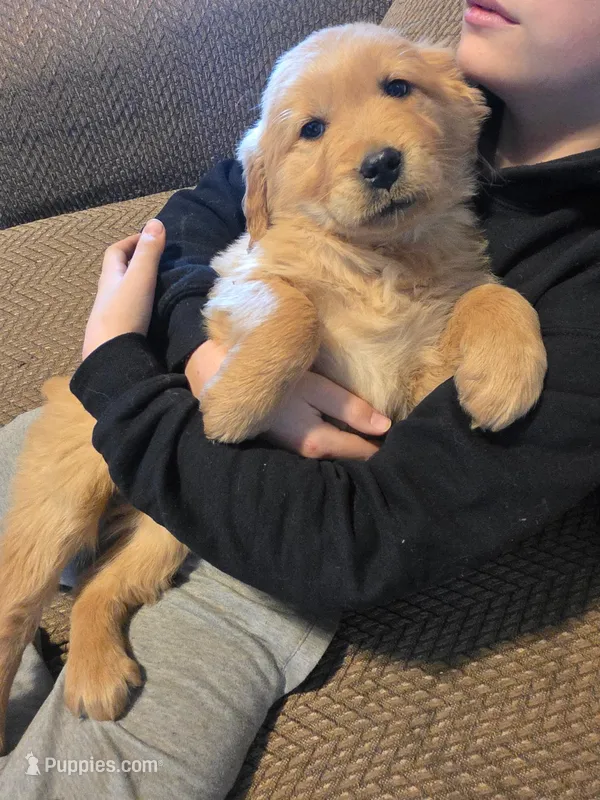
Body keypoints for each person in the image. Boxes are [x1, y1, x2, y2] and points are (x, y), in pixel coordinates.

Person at [1, 1, 600, 796]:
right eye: (312, 129)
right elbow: (197, 233)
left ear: (455, 105)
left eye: (397, 87)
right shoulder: (453, 97)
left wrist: (495, 313)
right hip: (147, 403)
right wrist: (191, 351)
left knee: (88, 779)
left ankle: (92, 606)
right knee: (34, 540)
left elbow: (373, 529)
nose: (371, 141)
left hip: (272, 545)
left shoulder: (564, 272)